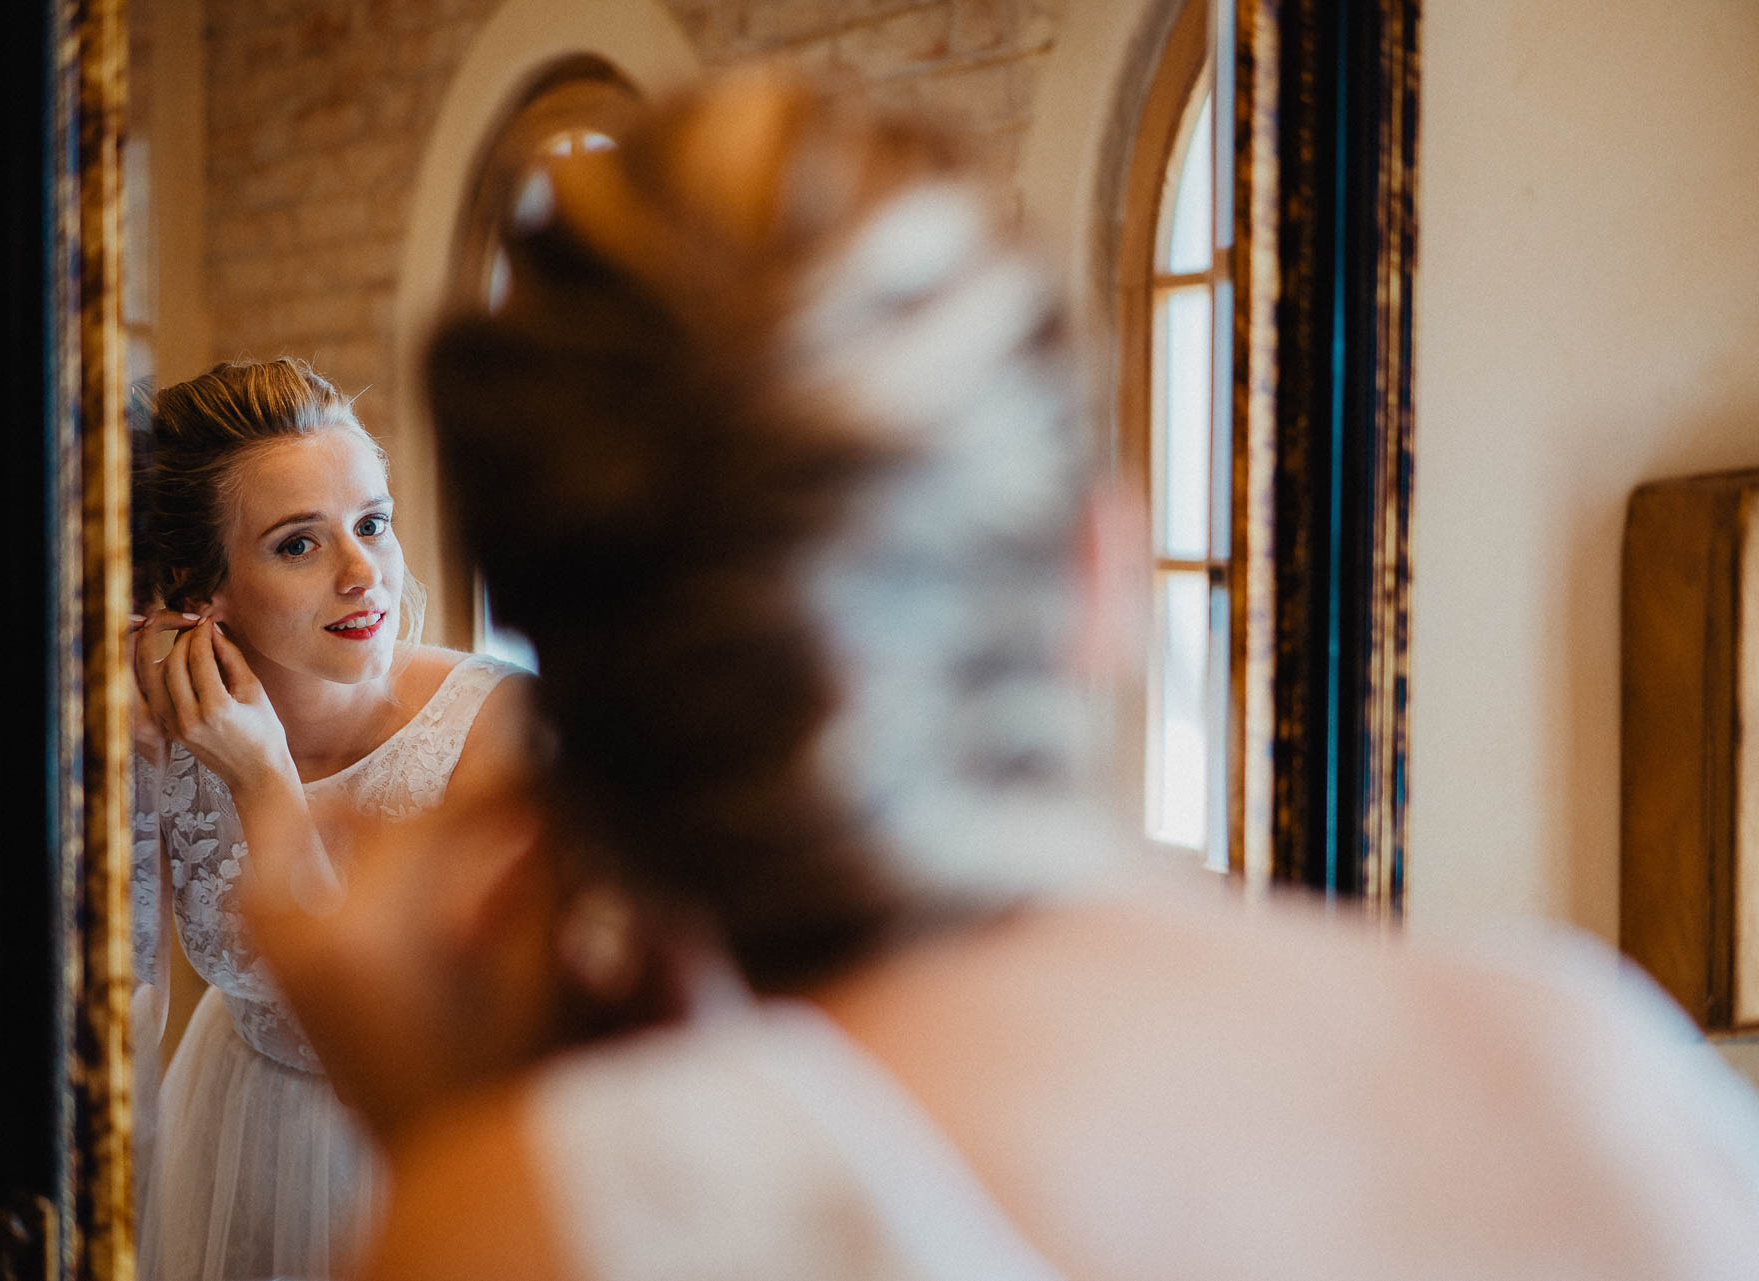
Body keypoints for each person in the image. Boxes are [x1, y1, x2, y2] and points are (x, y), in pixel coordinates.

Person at [235, 78, 1759, 1280]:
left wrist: (448, 1150)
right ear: (1097, 576)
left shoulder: (570, 1221)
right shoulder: (1600, 1063)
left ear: (581, 686)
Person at [127, 357, 536, 1281]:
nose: (364, 575)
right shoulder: (160, 731)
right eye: (298, 544)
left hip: (418, 1150)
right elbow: (116, 1013)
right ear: (202, 589)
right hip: (228, 1130)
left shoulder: (500, 730)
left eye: (373, 524)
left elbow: (366, 1029)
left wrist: (265, 779)